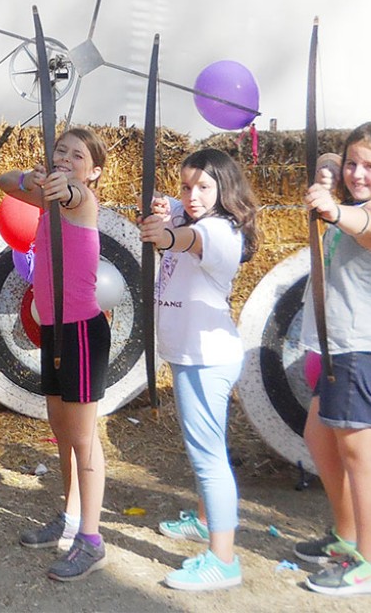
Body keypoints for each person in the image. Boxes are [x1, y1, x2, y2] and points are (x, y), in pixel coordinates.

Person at [139, 147, 260, 591]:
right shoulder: (190, 212)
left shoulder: (220, 231)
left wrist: (168, 237)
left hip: (207, 359)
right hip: (194, 355)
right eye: (186, 186)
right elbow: (174, 210)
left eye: (203, 187)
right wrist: (162, 205)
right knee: (205, 452)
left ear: (224, 189)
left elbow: (193, 239)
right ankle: (206, 518)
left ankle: (223, 561)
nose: (192, 196)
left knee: (208, 458)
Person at [0, 127, 110, 582]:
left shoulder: (80, 199)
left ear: (94, 170)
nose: (65, 157)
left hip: (82, 331)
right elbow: (5, 181)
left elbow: (73, 192)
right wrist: (35, 177)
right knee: (63, 433)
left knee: (84, 440)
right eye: (60, 150)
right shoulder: (47, 194)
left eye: (77, 154)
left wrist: (62, 182)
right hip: (54, 330)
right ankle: (68, 518)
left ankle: (92, 538)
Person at [294, 122, 371, 596]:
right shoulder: (358, 198)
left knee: (360, 456)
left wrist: (334, 208)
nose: (358, 173)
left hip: (364, 350)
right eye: (353, 162)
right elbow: (340, 177)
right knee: (319, 437)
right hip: (342, 348)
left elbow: (367, 225)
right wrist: (330, 171)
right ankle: (347, 535)